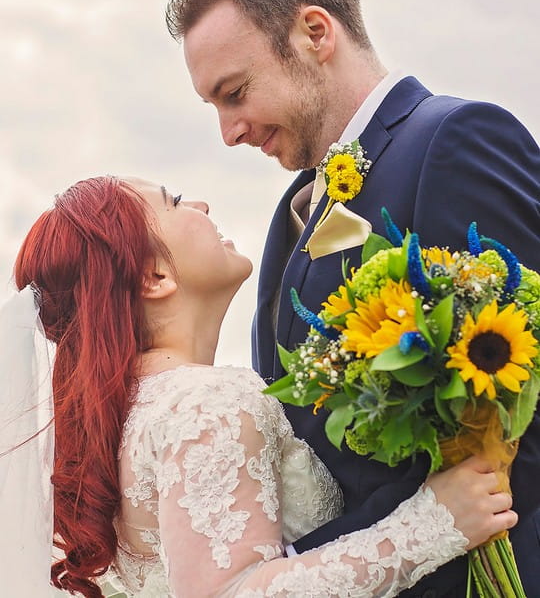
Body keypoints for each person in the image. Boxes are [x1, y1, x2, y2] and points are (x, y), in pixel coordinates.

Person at [165, 0, 540, 596]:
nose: (229, 132)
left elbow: (526, 410)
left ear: (315, 32)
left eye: (235, 92)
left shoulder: (453, 140)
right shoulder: (289, 219)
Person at [1, 176, 517, 597]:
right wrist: (434, 524)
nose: (200, 202)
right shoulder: (205, 403)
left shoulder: (118, 421)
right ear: (154, 278)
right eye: (175, 202)